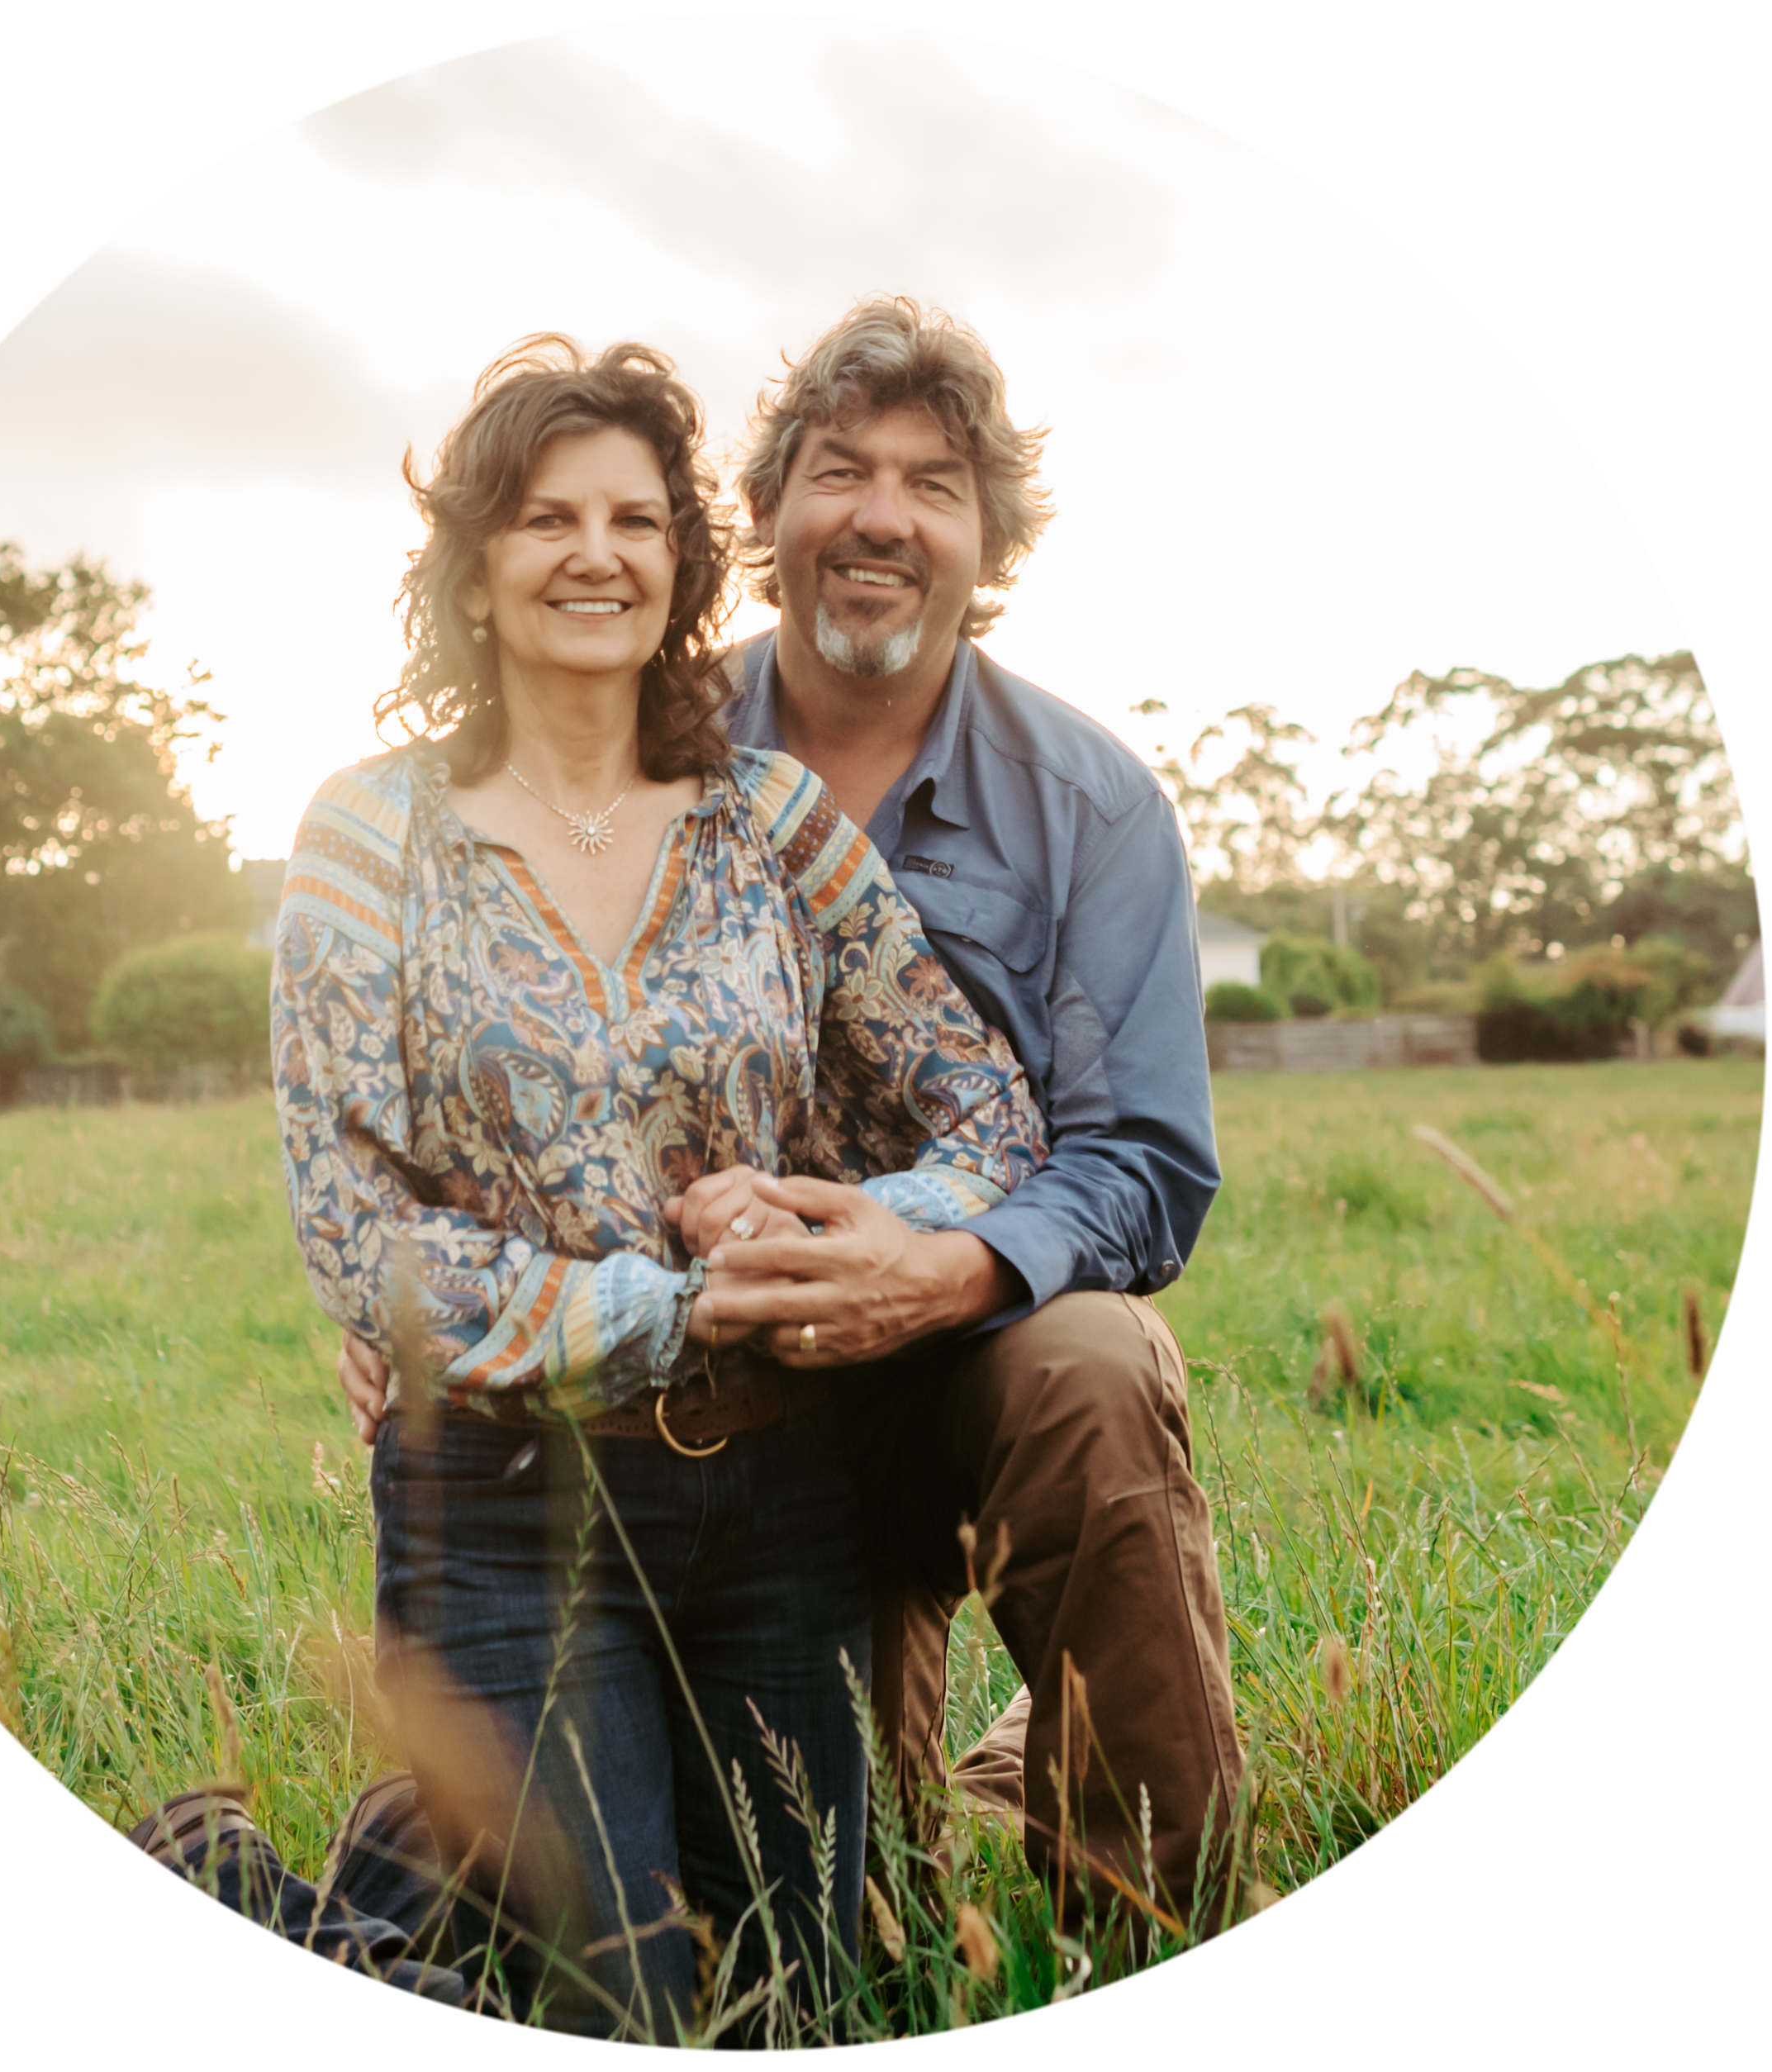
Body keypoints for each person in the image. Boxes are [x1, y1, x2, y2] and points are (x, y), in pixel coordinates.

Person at [338, 301, 1245, 1937]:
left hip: (973, 1359)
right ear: (769, 519)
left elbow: (1143, 1166)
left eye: (932, 482)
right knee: (824, 1934)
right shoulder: (628, 741)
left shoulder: (1092, 806)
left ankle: (1145, 1909)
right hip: (708, 1407)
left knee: (1097, 1370)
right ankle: (461, 1840)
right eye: (839, 471)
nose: (881, 513)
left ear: (987, 541)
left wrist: (936, 1264)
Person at [265, 335, 1044, 2037]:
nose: (594, 554)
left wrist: (848, 1228)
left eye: (634, 519)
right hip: (507, 1510)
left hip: (782, 1495)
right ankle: (295, 1890)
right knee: (628, 2000)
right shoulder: (364, 836)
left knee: (799, 2005)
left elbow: (987, 1109)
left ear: (685, 566)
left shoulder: (769, 821)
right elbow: (349, 1221)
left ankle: (355, 1894)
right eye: (547, 518)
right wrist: (680, 1305)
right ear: (473, 566)